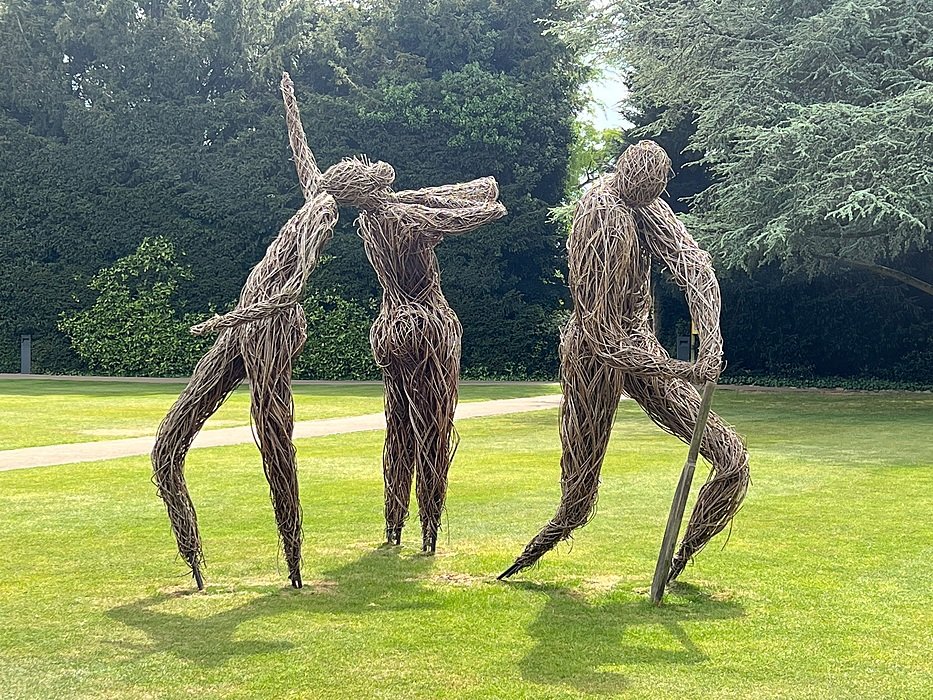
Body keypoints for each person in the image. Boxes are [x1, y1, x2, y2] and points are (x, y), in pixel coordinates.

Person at [500, 140, 749, 582]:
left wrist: (709, 338)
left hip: (642, 345)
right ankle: (532, 553)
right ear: (624, 174)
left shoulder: (647, 206)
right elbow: (602, 338)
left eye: (653, 192)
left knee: (731, 460)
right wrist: (683, 369)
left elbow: (694, 266)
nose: (646, 199)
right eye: (640, 190)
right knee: (578, 498)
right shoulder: (602, 215)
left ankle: (679, 560)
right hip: (593, 359)